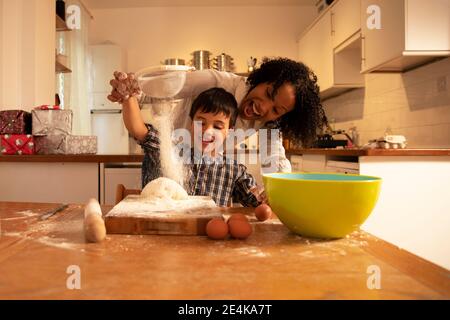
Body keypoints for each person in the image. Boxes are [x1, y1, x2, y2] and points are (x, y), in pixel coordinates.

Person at [108, 57, 328, 174]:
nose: (264, 108)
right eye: (268, 94)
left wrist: (275, 192)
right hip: (169, 161)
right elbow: (168, 87)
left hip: (205, 171)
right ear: (262, 79)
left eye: (276, 110)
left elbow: (276, 162)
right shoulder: (217, 82)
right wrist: (129, 88)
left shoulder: (269, 123)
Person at [127, 87, 261, 207]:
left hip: (208, 233)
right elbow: (139, 130)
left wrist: (263, 196)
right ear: (191, 123)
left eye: (217, 126)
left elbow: (258, 203)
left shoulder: (234, 171)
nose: (207, 131)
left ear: (229, 132)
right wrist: (127, 96)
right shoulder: (171, 153)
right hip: (167, 229)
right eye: (201, 123)